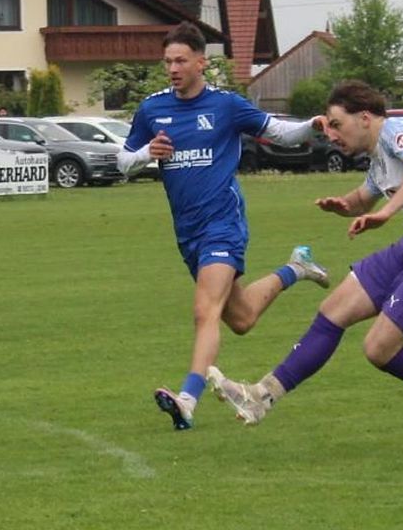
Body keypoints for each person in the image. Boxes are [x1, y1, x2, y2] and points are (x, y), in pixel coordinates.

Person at [209, 80, 403, 452]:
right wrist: (343, 205)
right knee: (333, 311)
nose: (332, 135)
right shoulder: (378, 158)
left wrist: (386, 212)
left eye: (337, 125)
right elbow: (362, 200)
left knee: (378, 349)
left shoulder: (396, 130)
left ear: (365, 118)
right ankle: (261, 396)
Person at [117, 21, 331, 431]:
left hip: (223, 223)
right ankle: (297, 268)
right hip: (188, 232)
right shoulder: (152, 109)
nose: (173, 69)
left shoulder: (226, 106)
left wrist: (311, 125)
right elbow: (122, 161)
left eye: (181, 61)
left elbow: (279, 133)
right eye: (168, 62)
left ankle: (187, 400)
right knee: (241, 318)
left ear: (201, 62)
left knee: (205, 311)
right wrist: (147, 153)